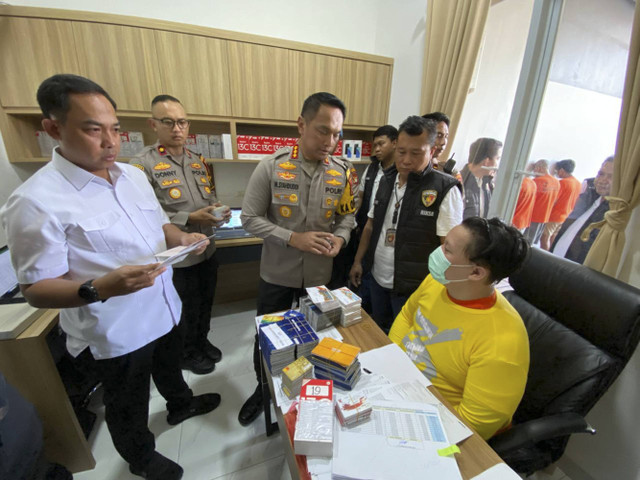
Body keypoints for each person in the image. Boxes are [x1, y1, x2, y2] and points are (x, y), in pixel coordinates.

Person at [0, 74, 221, 480]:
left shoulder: (132, 176)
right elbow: (35, 290)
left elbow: (160, 228)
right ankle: (141, 458)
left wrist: (183, 236)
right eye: (93, 130)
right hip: (117, 329)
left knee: (171, 367)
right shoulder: (35, 201)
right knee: (128, 401)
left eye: (115, 130)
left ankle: (180, 403)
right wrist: (101, 287)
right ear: (53, 129)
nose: (110, 142)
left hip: (163, 305)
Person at [239, 92, 358, 426]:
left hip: (321, 277)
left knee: (319, 338)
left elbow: (348, 218)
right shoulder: (272, 166)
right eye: (323, 131)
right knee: (269, 339)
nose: (330, 141)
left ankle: (310, 391)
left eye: (337, 134)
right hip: (277, 274)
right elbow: (249, 218)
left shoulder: (345, 172)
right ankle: (262, 391)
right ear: (301, 125)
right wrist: (293, 238)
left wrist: (341, 237)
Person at [389, 217, 530, 440]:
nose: (437, 251)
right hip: (397, 386)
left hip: (436, 422)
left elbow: (473, 424)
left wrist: (407, 417)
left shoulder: (503, 341)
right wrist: (392, 361)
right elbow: (408, 315)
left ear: (475, 273)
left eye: (447, 249)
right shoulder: (441, 282)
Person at [130, 95, 230, 375]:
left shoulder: (198, 160)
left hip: (206, 249)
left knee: (205, 302)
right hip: (177, 257)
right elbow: (144, 214)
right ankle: (187, 353)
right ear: (153, 125)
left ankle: (201, 342)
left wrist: (216, 213)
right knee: (185, 309)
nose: (177, 128)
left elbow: (208, 196)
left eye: (182, 122)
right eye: (168, 122)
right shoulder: (140, 165)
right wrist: (188, 218)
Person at [349, 116, 463, 333]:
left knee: (405, 344)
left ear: (431, 151)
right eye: (401, 152)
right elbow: (371, 225)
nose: (406, 160)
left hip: (414, 288)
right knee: (376, 332)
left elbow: (449, 248)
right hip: (377, 279)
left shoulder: (445, 189)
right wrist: (358, 261)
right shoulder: (386, 179)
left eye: (416, 153)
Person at [348, 124, 398, 310]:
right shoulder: (371, 169)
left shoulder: (400, 173)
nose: (376, 149)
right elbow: (360, 197)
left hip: (385, 236)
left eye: (381, 144)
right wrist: (350, 220)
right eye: (374, 145)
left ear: (395, 143)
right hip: (365, 231)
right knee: (360, 282)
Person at [552, 157, 614, 264]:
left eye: (611, 176)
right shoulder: (591, 198)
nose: (602, 180)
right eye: (601, 174)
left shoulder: (614, 215)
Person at [540, 159, 581, 250]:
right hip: (565, 215)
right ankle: (550, 254)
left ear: (562, 170)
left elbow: (554, 199)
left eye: (556, 171)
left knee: (544, 237)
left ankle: (545, 257)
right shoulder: (578, 183)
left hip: (555, 215)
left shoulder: (563, 183)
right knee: (552, 237)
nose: (556, 173)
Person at [460, 137, 502, 219]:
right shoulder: (460, 182)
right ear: (486, 161)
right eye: (497, 158)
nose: (497, 165)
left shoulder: (488, 184)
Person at [525, 159, 560, 245]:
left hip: (533, 216)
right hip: (545, 216)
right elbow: (555, 200)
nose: (534, 172)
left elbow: (528, 198)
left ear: (539, 168)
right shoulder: (556, 182)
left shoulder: (537, 181)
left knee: (526, 241)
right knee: (532, 242)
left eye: (534, 170)